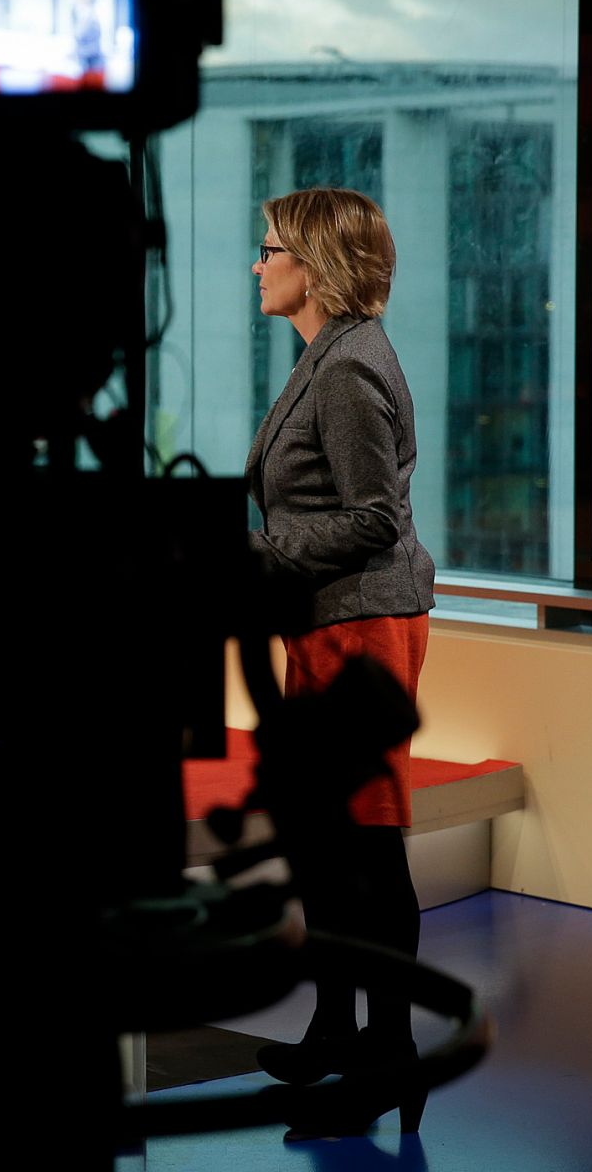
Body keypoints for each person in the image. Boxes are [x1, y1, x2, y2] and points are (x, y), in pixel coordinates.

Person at [242, 186, 436, 1135]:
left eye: (270, 249)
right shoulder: (329, 354)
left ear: (315, 266)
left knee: (365, 846)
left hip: (362, 623)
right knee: (330, 842)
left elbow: (373, 520)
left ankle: (390, 1056)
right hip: (325, 617)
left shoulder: (350, 365)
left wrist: (258, 556)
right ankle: (335, 1030)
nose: (258, 264)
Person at [70, 0, 104, 86]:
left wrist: (76, 53)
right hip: (86, 65)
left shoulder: (91, 16)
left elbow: (93, 47)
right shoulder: (82, 15)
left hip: (93, 67)